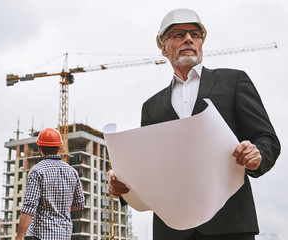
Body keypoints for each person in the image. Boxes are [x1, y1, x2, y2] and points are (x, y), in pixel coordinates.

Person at [108, 8, 280, 240]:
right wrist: (124, 187)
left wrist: (257, 154)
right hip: (172, 229)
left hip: (230, 224)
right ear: (163, 47)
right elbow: (149, 167)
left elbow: (267, 138)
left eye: (195, 34)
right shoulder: (151, 106)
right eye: (178, 34)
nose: (189, 38)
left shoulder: (234, 81)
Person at [16, 128, 85, 240]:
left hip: (42, 235)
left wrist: (18, 238)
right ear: (59, 147)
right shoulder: (72, 171)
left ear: (39, 147)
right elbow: (79, 203)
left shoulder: (37, 171)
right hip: (64, 235)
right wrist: (60, 208)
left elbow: (28, 209)